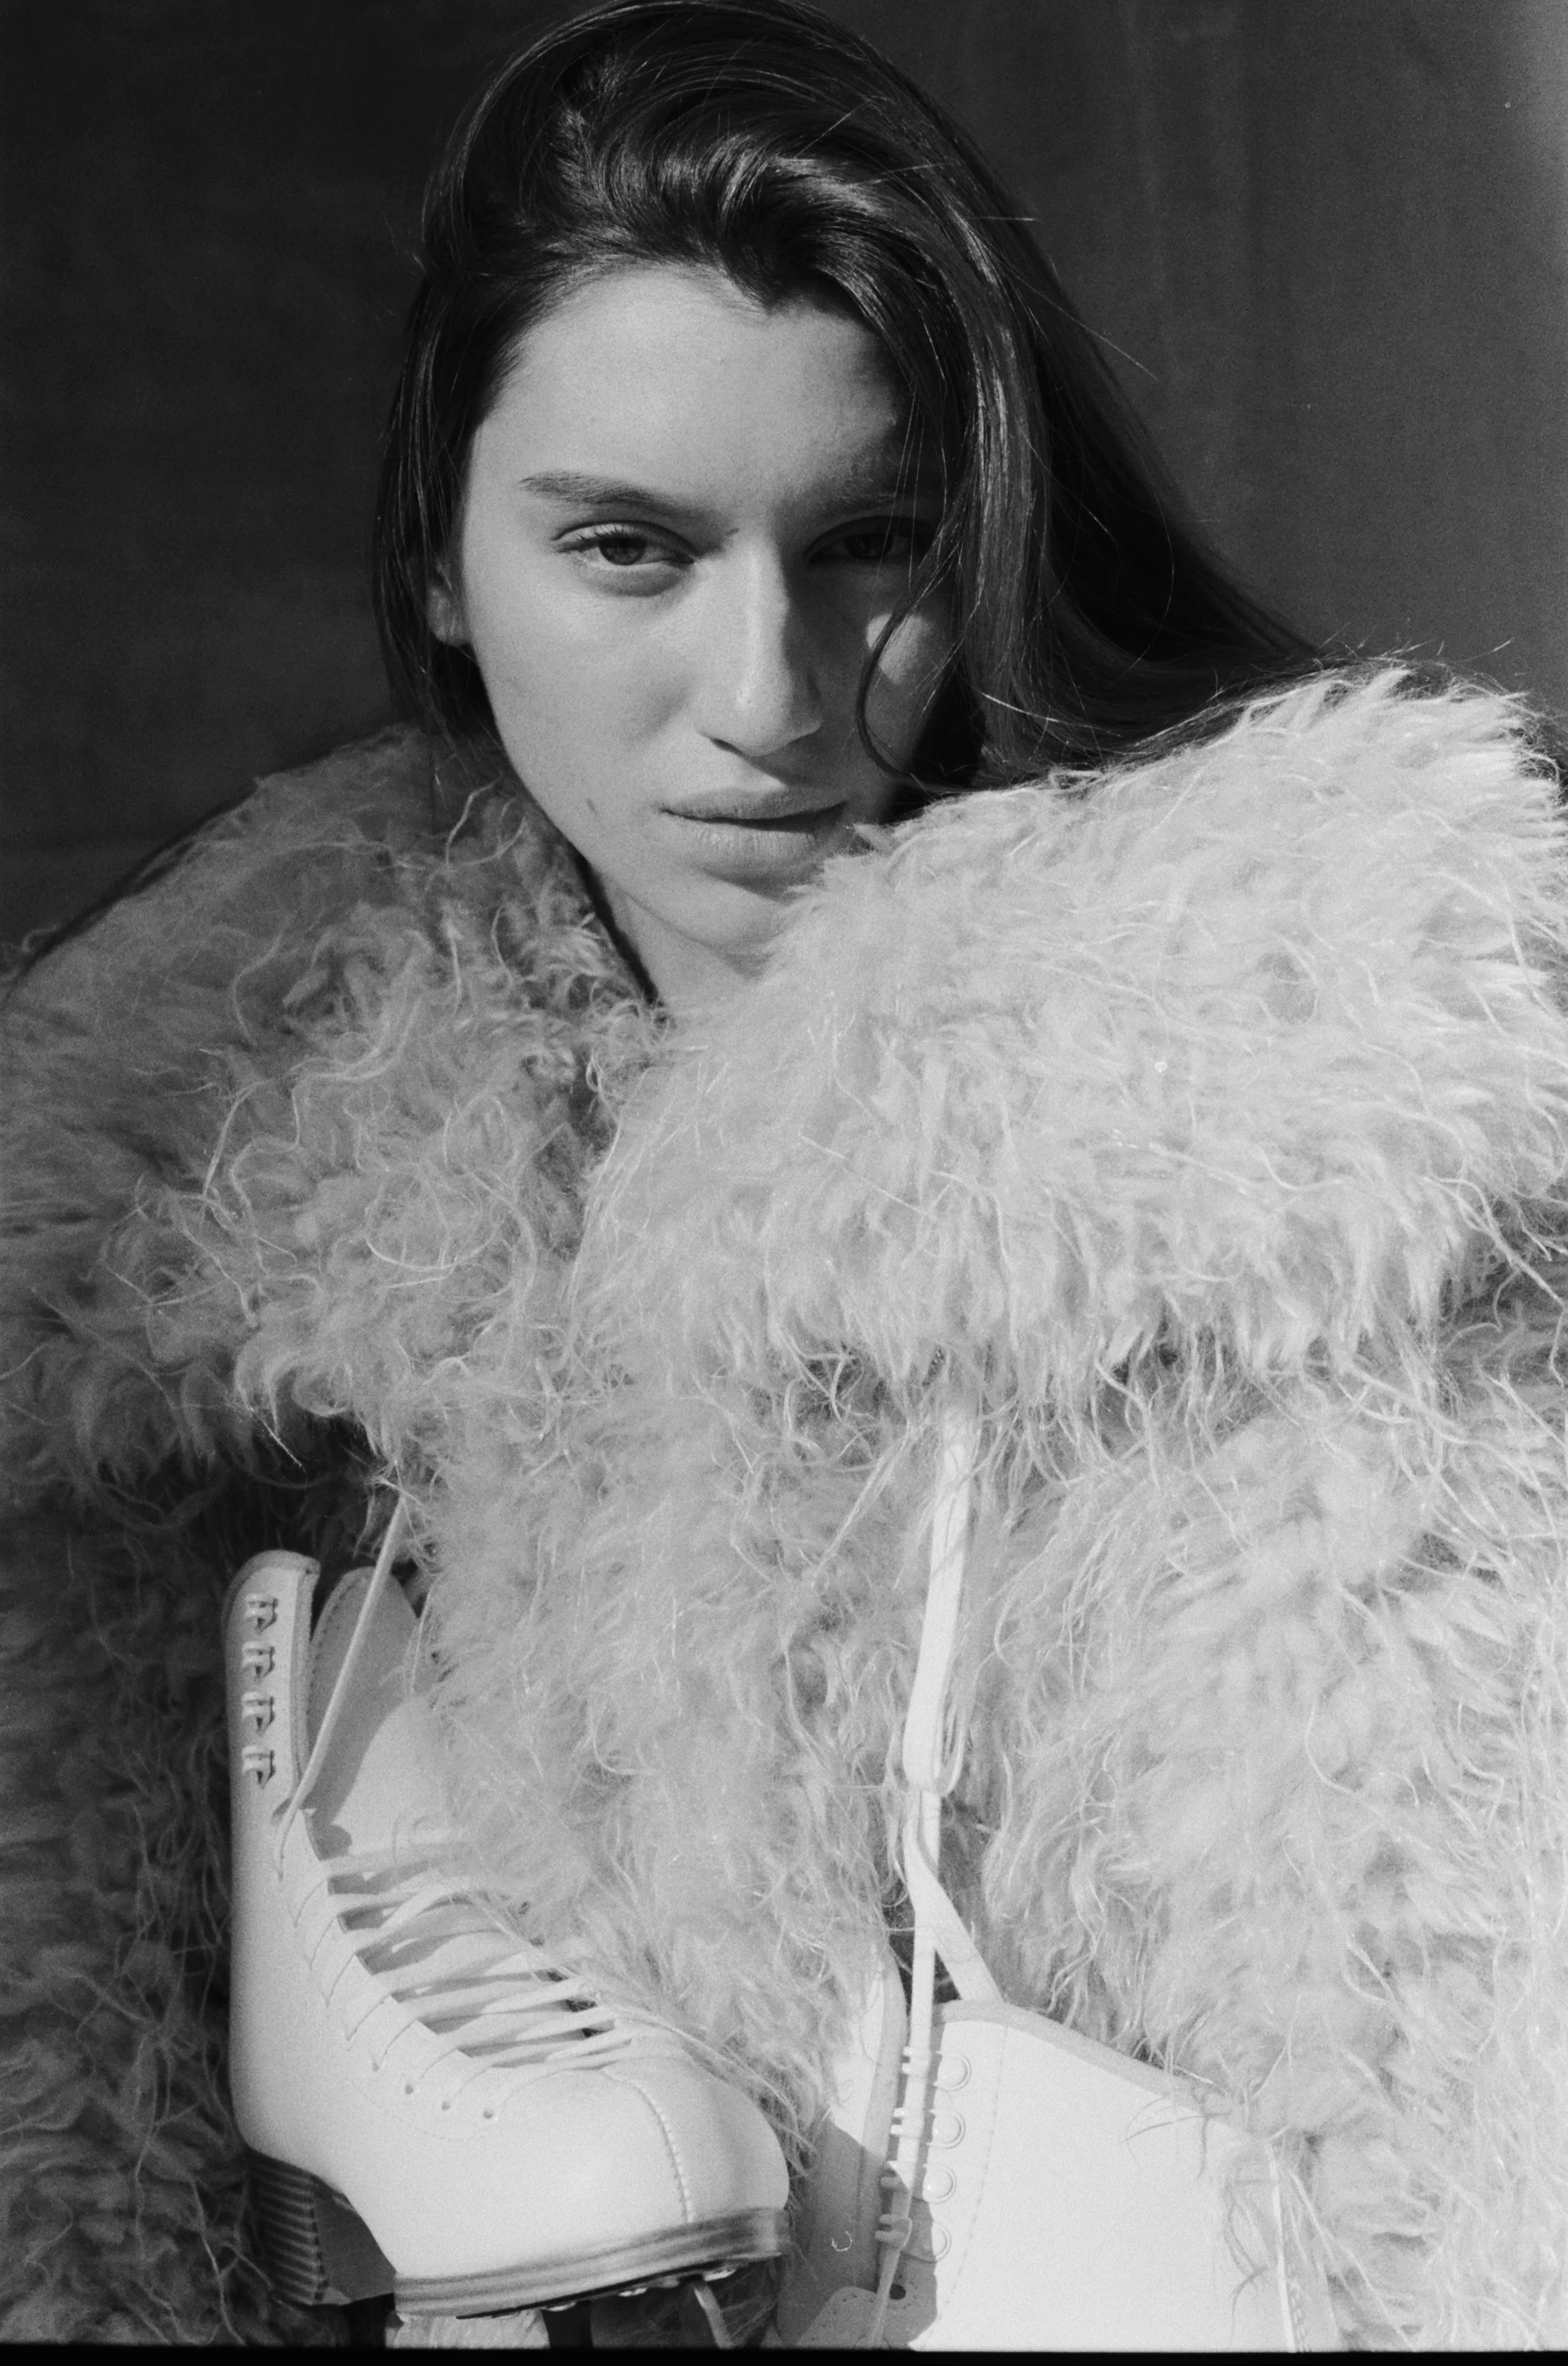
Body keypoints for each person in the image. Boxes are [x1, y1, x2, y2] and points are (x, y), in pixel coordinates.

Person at [3, 0, 1564, 2349]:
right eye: (627, 548)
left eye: (872, 548)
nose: (770, 694)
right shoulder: (204, 1233)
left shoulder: (1273, 1216)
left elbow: (1474, 2117)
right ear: (441, 566)